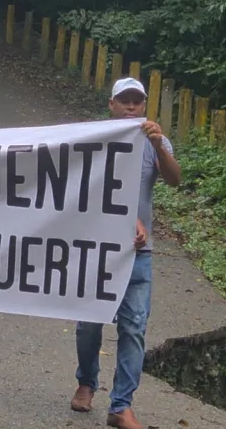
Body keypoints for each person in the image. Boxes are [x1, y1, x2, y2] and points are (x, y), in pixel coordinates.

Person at [70, 77, 182, 429]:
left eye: (137, 101)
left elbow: (175, 179)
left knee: (134, 327)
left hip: (139, 253)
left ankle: (121, 405)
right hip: (98, 248)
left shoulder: (155, 141)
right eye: (124, 101)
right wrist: (126, 219)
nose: (131, 107)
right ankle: (87, 381)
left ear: (144, 105)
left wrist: (160, 146)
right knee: (89, 324)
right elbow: (81, 187)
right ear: (111, 104)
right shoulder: (96, 140)